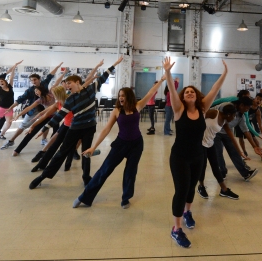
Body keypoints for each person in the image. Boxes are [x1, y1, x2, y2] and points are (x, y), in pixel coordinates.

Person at [72, 77, 166, 208]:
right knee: (104, 170)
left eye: (123, 95)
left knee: (130, 172)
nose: (120, 97)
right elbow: (106, 129)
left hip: (136, 145)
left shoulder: (137, 106)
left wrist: (162, 80)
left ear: (128, 96)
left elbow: (150, 93)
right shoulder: (117, 111)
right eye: (119, 95)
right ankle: (85, 197)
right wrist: (93, 147)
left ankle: (126, 198)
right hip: (120, 144)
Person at [29, 57, 123, 190]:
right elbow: (59, 116)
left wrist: (114, 64)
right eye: (66, 84)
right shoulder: (70, 99)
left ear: (77, 82)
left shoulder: (91, 89)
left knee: (86, 153)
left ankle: (86, 177)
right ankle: (43, 176)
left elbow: (104, 75)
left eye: (69, 83)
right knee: (62, 152)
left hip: (89, 127)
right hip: (75, 128)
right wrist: (45, 128)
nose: (67, 86)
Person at [164, 57, 227, 249]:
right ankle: (176, 230)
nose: (190, 93)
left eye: (193, 91)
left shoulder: (202, 108)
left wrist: (224, 74)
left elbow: (214, 90)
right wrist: (167, 72)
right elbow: (173, 91)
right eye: (187, 92)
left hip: (198, 156)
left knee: (192, 188)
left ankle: (187, 212)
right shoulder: (178, 109)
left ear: (196, 96)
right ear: (183, 97)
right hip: (179, 157)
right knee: (181, 190)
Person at [196, 103, 239, 201]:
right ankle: (201, 186)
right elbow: (199, 116)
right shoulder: (214, 113)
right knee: (202, 166)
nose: (234, 118)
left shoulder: (224, 121)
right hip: (200, 143)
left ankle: (224, 190)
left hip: (210, 143)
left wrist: (240, 152)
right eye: (233, 115)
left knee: (216, 166)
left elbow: (231, 136)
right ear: (228, 114)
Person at [6, 62, 63, 135]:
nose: (33, 82)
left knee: (46, 124)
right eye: (32, 80)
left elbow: (50, 75)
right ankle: (11, 140)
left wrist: (57, 67)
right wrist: (11, 108)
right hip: (34, 109)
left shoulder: (44, 84)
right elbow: (20, 100)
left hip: (46, 107)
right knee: (24, 125)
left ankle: (44, 139)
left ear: (39, 79)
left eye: (35, 79)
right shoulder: (30, 91)